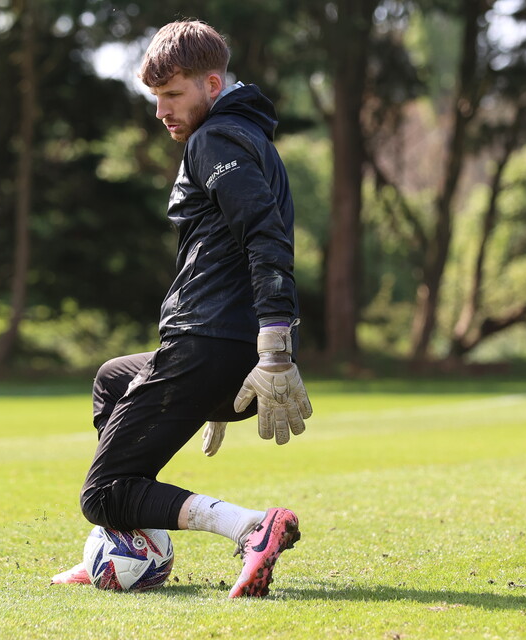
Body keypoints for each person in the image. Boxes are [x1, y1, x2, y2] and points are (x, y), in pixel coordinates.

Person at [51, 19, 313, 598]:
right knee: (113, 379)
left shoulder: (214, 139)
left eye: (173, 94)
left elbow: (265, 236)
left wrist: (273, 350)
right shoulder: (249, 137)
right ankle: (123, 550)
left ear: (212, 84)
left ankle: (249, 528)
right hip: (221, 350)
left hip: (216, 345)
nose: (162, 110)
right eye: (156, 97)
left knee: (102, 493)